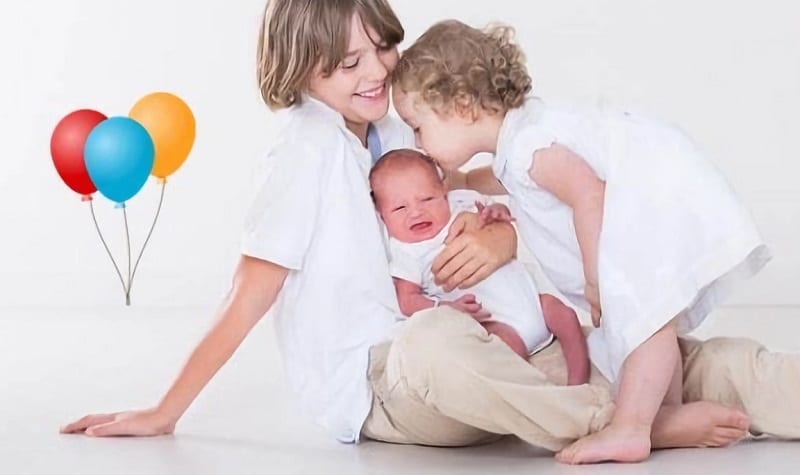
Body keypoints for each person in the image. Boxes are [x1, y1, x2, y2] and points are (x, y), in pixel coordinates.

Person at [61, 1, 800, 464]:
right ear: (298, 71)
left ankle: (748, 393)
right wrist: (165, 409)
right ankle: (640, 422)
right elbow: (250, 291)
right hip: (394, 379)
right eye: (347, 63)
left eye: (379, 47)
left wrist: (501, 241)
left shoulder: (400, 125)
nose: (375, 70)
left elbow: (498, 188)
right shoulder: (302, 152)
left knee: (664, 343)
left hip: (513, 352)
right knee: (433, 340)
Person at [391, 19, 774, 463]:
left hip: (648, 204)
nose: (418, 144)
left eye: (418, 127)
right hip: (649, 200)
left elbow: (588, 192)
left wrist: (597, 274)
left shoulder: (532, 145)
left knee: (642, 318)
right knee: (644, 323)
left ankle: (632, 428)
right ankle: (663, 416)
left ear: (461, 106)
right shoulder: (517, 142)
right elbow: (499, 179)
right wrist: (459, 180)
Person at [370, 148, 589, 383]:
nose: (416, 212)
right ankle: (532, 391)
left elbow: (499, 212)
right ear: (381, 215)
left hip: (534, 303)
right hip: (492, 322)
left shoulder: (462, 202)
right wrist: (446, 307)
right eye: (400, 208)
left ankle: (579, 378)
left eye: (427, 199)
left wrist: (497, 212)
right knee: (500, 351)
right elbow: (406, 299)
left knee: (564, 314)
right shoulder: (406, 251)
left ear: (444, 190)